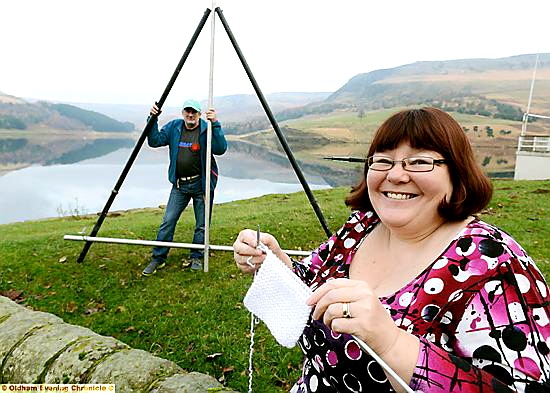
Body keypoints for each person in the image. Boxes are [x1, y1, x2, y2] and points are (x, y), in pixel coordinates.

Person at [233, 107, 550, 392]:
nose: (396, 175)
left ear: (456, 173)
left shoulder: (492, 263)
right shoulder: (361, 227)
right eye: (383, 160)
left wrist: (389, 340)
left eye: (421, 162)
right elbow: (314, 287)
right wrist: (277, 264)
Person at [142, 99, 227, 276]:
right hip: (180, 185)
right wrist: (152, 118)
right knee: (168, 221)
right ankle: (158, 258)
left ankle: (196, 256)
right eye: (187, 112)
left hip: (201, 185)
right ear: (183, 113)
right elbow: (155, 141)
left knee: (202, 224)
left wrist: (216, 124)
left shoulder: (206, 128)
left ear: (199, 114)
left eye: (194, 112)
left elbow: (220, 149)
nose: (190, 115)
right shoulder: (174, 127)